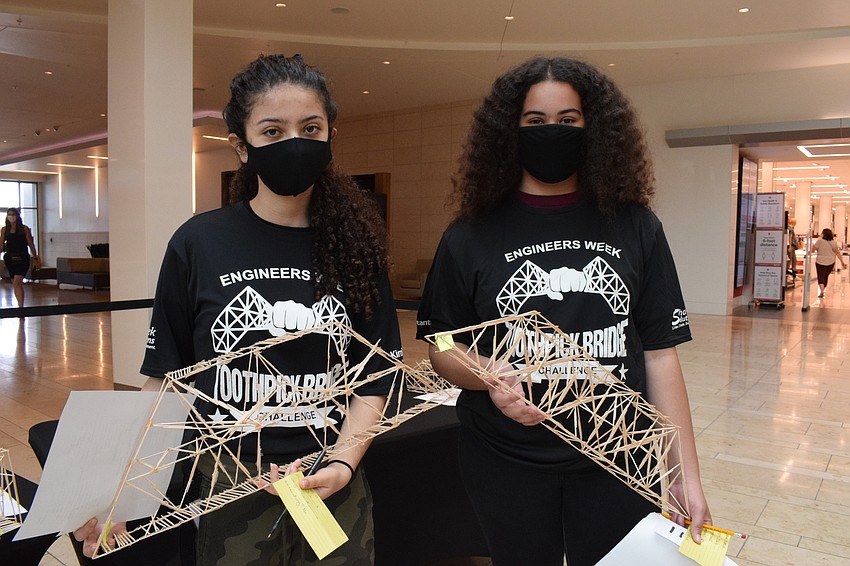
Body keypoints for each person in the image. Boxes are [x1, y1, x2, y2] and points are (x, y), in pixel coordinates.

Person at [75, 54, 401, 565]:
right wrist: (119, 487)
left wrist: (342, 464)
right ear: (241, 146)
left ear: (330, 136)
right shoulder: (199, 242)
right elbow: (164, 381)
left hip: (334, 483)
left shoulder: (357, 246)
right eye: (272, 130)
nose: (294, 142)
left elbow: (375, 379)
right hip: (231, 480)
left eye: (310, 127)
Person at [416, 56, 711, 566]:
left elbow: (660, 355)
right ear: (509, 132)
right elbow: (441, 342)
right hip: (504, 460)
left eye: (567, 121)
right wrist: (487, 374)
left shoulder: (635, 227)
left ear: (593, 129)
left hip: (621, 458)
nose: (551, 133)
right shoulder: (470, 234)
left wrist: (684, 475)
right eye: (535, 122)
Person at [2, 207, 40, 307]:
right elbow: (1, 245)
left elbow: (31, 244)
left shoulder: (24, 229)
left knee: (17, 282)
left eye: (13, 214)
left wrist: (35, 257)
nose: (11, 217)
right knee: (15, 283)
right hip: (10, 259)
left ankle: (20, 307)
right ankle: (20, 304)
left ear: (17, 216)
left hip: (22, 258)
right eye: (9, 214)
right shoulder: (4, 230)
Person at [814, 228, 845, 298]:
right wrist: (842, 262)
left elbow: (813, 249)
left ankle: (821, 290)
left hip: (820, 261)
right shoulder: (833, 242)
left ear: (824, 234)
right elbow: (837, 253)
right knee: (825, 276)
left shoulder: (819, 241)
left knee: (820, 276)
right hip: (830, 262)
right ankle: (823, 289)